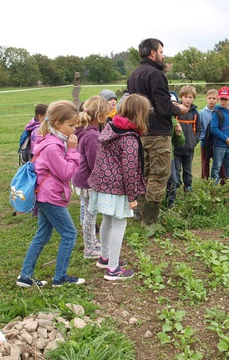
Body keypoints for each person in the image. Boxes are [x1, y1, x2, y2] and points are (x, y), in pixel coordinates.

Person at [16, 100, 84, 288]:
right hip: (50, 196)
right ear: (57, 124)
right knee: (69, 234)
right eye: (71, 125)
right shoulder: (53, 146)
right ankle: (60, 277)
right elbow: (66, 173)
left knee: (42, 235)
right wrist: (72, 151)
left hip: (45, 194)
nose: (74, 129)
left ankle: (25, 276)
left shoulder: (49, 140)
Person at [87, 94, 150, 280]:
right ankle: (113, 269)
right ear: (140, 115)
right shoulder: (129, 138)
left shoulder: (110, 128)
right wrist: (132, 197)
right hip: (117, 188)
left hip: (103, 184)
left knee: (107, 220)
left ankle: (105, 258)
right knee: (119, 223)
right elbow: (130, 170)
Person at [127, 38, 188, 226]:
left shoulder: (133, 76)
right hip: (158, 133)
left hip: (140, 133)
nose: (163, 55)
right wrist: (179, 109)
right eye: (161, 51)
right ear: (153, 53)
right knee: (158, 176)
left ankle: (141, 214)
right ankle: (150, 222)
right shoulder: (155, 75)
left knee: (144, 174)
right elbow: (162, 107)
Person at [71, 96, 107, 259]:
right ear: (99, 116)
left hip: (81, 178)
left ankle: (92, 240)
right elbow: (94, 162)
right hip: (88, 181)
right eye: (106, 113)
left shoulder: (83, 130)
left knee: (88, 212)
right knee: (90, 215)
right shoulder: (92, 135)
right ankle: (89, 248)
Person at [173, 85, 201, 192]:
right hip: (177, 148)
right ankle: (174, 189)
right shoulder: (176, 112)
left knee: (188, 170)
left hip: (189, 148)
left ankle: (188, 187)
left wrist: (194, 141)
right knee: (176, 170)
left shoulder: (195, 113)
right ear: (181, 97)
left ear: (193, 98)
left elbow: (199, 130)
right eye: (185, 97)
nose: (188, 99)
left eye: (190, 97)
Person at [210, 86, 229, 185]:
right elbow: (214, 129)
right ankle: (214, 185)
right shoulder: (216, 112)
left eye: (225, 99)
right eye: (221, 99)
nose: (223, 101)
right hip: (219, 145)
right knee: (216, 166)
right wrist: (226, 138)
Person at [165, 92, 185, 208]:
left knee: (173, 181)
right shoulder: (162, 120)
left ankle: (170, 204)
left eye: (175, 104)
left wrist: (178, 134)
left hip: (170, 155)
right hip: (161, 154)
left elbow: (180, 142)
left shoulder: (175, 121)